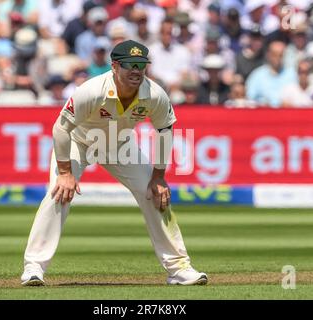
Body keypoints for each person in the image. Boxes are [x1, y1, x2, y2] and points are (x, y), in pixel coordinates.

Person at [21, 39, 208, 287]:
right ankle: (34, 267)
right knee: (59, 192)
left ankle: (179, 269)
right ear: (114, 67)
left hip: (120, 145)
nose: (136, 71)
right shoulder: (92, 90)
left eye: (141, 65)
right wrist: (65, 172)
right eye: (130, 65)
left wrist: (159, 177)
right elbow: (61, 128)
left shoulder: (154, 94)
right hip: (79, 141)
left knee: (154, 194)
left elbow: (165, 130)